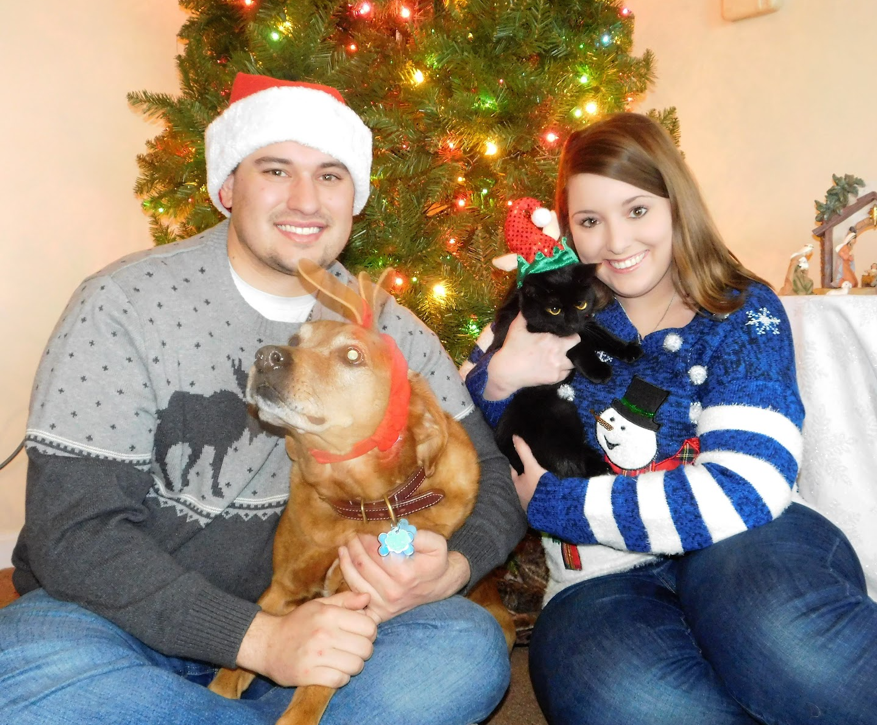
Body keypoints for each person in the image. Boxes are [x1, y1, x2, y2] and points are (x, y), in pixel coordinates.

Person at [0, 73, 525, 725]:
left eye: (331, 176)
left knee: (467, 649)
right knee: (18, 667)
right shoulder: (123, 307)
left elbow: (496, 482)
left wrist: (449, 570)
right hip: (119, 624)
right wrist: (260, 640)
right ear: (226, 187)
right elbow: (73, 532)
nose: (306, 199)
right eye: (276, 169)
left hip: (319, 631)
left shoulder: (391, 334)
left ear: (355, 200)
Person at [463, 112, 877, 725]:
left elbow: (746, 485)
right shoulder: (538, 306)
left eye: (638, 211)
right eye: (590, 221)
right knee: (641, 706)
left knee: (785, 640)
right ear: (568, 229)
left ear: (677, 204)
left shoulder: (740, 310)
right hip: (598, 584)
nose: (617, 242)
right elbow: (470, 433)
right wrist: (499, 380)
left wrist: (557, 505)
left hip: (744, 543)